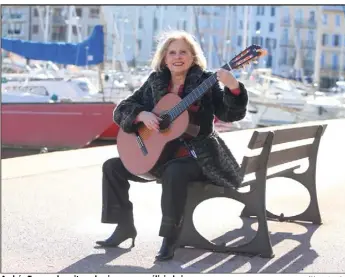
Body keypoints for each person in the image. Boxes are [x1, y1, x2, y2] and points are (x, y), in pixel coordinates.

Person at [96, 30, 249, 261]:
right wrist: (141, 115)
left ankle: (170, 237)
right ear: (164, 58)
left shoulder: (205, 82)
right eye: (172, 52)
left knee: (174, 171)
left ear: (193, 57)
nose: (178, 57)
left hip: (199, 157)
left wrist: (234, 88)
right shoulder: (156, 81)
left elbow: (229, 114)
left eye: (183, 52)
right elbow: (122, 110)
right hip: (158, 157)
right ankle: (123, 226)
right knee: (112, 167)